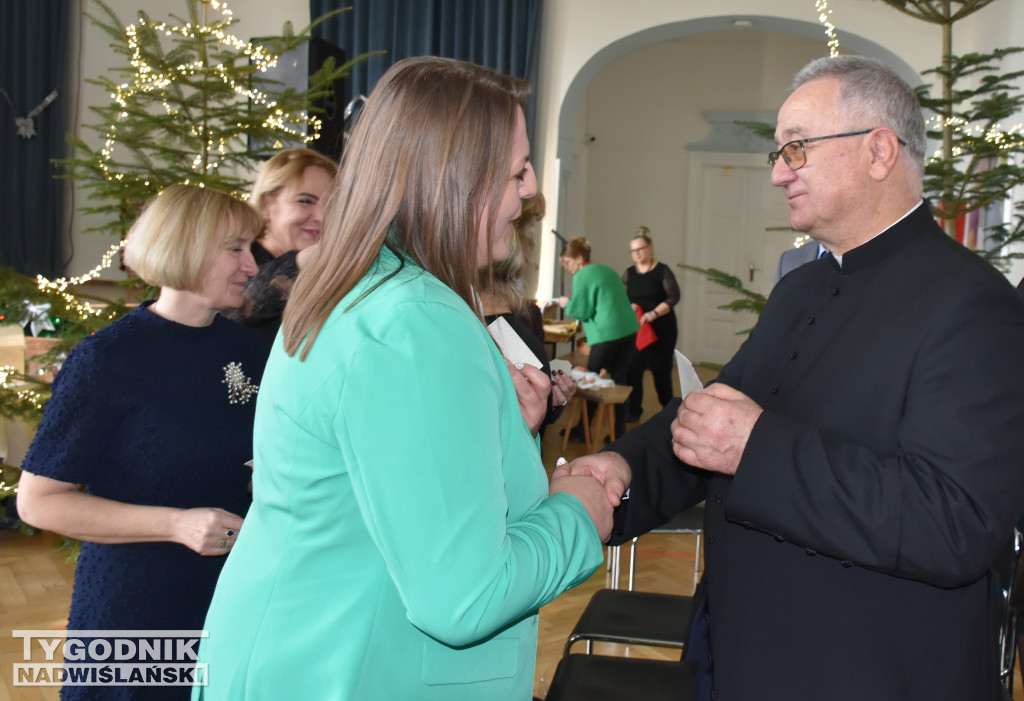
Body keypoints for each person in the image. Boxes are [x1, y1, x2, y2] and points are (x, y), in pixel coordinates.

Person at [564, 55, 1024, 701]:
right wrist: (622, 469)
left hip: (862, 671)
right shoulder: (799, 286)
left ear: (879, 150)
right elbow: (714, 418)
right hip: (738, 650)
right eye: (780, 152)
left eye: (798, 149)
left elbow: (954, 521)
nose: (779, 172)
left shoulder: (974, 305)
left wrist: (756, 447)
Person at [194, 56, 610, 701]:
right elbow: (466, 598)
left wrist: (502, 428)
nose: (529, 190)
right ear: (457, 179)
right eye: (516, 171)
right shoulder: (414, 319)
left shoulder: (369, 285)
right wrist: (578, 514)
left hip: (308, 647)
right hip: (351, 666)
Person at [16, 184, 267, 701]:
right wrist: (175, 524)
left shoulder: (253, 351)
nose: (253, 264)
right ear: (186, 247)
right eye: (235, 248)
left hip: (236, 598)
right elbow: (38, 502)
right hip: (138, 610)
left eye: (251, 247)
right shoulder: (107, 360)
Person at [480, 192, 575, 435]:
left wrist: (553, 401)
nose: (533, 240)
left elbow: (529, 412)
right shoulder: (476, 318)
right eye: (529, 225)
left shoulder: (526, 315)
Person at [225, 148, 338, 346]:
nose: (321, 216)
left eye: (332, 206)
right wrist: (301, 261)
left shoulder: (330, 269)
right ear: (267, 204)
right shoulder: (236, 258)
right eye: (305, 201)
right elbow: (244, 306)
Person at [557, 237, 639, 437]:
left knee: (591, 380)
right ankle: (619, 432)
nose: (568, 268)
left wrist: (566, 303)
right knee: (620, 379)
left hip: (607, 334)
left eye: (568, 263)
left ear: (579, 258)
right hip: (629, 329)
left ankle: (582, 430)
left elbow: (583, 311)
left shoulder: (582, 275)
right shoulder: (607, 270)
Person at [622, 226, 680, 422]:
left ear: (650, 248)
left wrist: (653, 314)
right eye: (633, 250)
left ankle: (670, 412)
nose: (636, 254)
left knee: (661, 372)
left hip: (662, 329)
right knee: (634, 370)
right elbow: (622, 298)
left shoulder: (662, 271)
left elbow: (674, 297)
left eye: (640, 249)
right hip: (638, 330)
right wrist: (629, 306)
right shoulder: (629, 273)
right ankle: (634, 411)